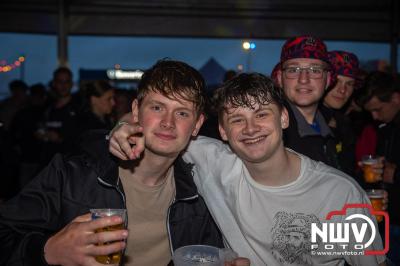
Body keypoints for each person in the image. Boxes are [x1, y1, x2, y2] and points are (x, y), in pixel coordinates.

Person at [110, 73, 386, 265]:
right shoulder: (213, 160)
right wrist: (122, 128)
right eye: (237, 120)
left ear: (284, 118)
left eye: (262, 114)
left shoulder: (340, 195)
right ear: (222, 131)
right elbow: (156, 125)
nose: (251, 129)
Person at [0, 60, 250, 266]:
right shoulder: (72, 176)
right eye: (157, 107)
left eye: (182, 113)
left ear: (196, 125)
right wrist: (47, 250)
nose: (168, 122)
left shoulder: (198, 197)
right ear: (135, 111)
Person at [276, 35, 338, 168]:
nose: (303, 79)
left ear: (327, 80)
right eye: (293, 70)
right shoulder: (270, 131)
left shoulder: (333, 127)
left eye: (315, 70)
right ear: (280, 78)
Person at [359, 71, 400, 265]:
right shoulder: (386, 127)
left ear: (396, 99)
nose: (374, 117)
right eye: (371, 112)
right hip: (389, 218)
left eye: (378, 109)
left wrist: (396, 174)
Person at [320, 50, 360, 175]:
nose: (343, 90)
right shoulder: (305, 119)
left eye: (349, 83)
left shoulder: (344, 122)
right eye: (336, 81)